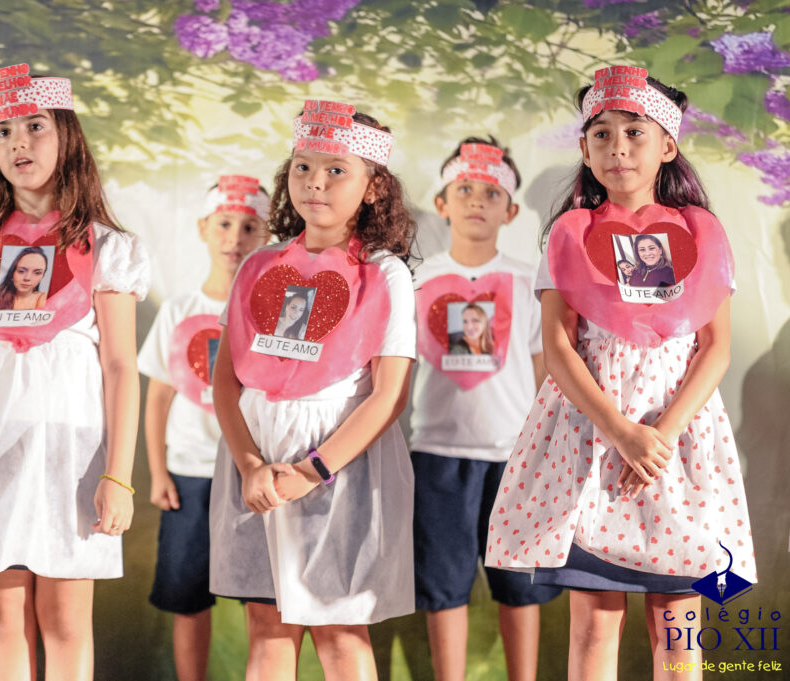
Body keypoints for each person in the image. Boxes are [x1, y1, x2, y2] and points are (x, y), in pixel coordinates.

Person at [486, 67, 756, 681]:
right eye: (602, 134)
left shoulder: (702, 232)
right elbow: (559, 346)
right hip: (593, 438)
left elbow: (715, 347)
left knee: (678, 627)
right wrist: (621, 432)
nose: (618, 148)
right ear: (585, 150)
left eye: (635, 132)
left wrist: (659, 436)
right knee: (594, 624)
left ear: (668, 145)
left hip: (678, 443)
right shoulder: (569, 233)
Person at [0, 65, 148, 681]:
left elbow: (120, 366)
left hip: (71, 449)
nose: (19, 142)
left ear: (66, 135)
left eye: (35, 127)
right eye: (4, 132)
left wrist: (118, 476)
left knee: (65, 619)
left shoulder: (105, 247)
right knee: (4, 616)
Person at [209, 100, 417, 681]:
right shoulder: (259, 265)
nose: (315, 182)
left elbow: (389, 395)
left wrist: (310, 471)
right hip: (255, 456)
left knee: (339, 630)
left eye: (336, 170)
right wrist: (251, 464)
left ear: (374, 187)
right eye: (303, 167)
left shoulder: (385, 274)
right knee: (268, 627)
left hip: (336, 464)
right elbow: (227, 379)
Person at [411, 138, 560, 681]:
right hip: (436, 454)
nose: (477, 200)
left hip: (515, 457)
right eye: (465, 189)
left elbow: (546, 373)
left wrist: (547, 452)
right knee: (443, 586)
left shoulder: (530, 280)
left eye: (492, 193)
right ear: (442, 202)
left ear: (511, 211)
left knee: (519, 587)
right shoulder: (415, 280)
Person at [137, 175, 270, 681]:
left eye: (249, 227)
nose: (235, 238)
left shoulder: (273, 314)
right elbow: (158, 398)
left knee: (262, 599)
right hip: (189, 475)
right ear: (203, 228)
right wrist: (158, 472)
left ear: (266, 235)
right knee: (187, 598)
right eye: (225, 224)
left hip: (252, 476)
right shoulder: (179, 311)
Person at [0, 246, 49, 310]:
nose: (27, 278)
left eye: (37, 273)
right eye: (21, 271)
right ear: (12, 273)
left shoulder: (43, 298)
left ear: (42, 276)